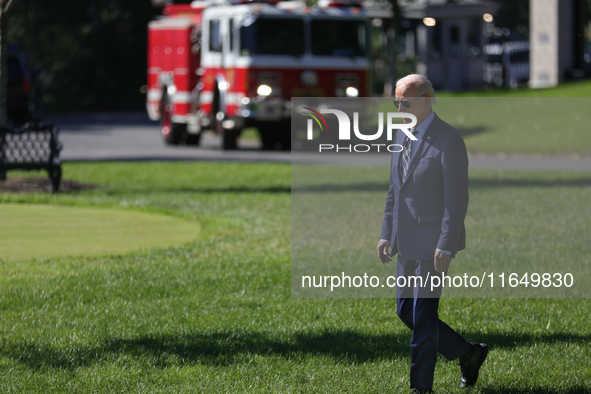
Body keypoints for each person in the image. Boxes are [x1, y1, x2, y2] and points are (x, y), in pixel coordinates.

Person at [376, 74, 487, 393]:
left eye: (405, 102)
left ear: (425, 100)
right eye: (396, 102)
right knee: (405, 312)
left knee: (423, 318)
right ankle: (469, 353)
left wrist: (446, 244)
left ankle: (420, 388)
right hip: (404, 240)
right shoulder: (401, 134)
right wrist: (386, 234)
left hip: (433, 243)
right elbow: (393, 191)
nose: (399, 108)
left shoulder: (449, 139)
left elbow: (457, 198)